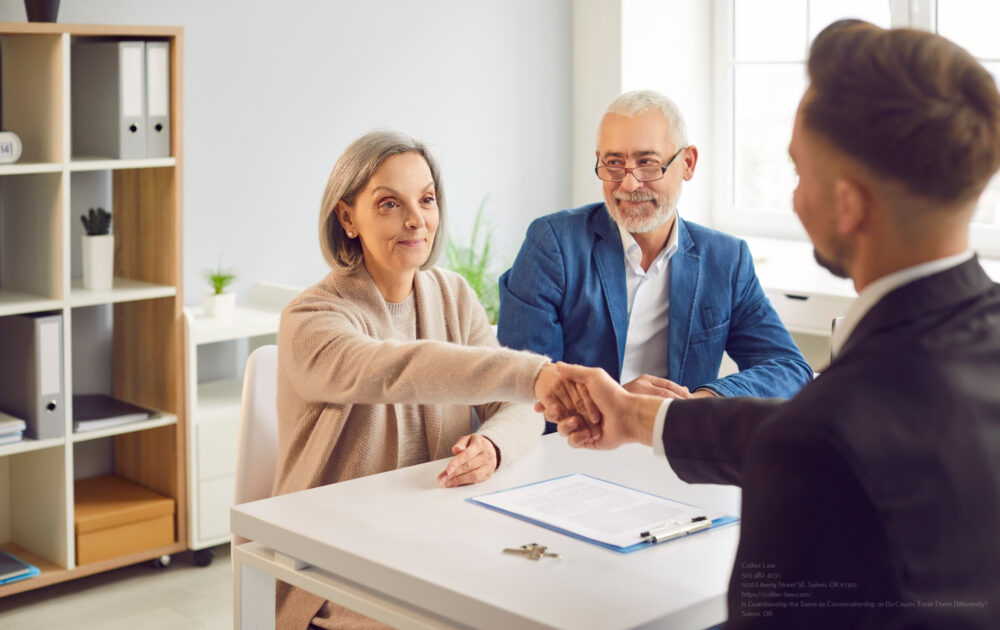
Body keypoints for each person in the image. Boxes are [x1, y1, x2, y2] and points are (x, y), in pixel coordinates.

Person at [548, 20, 1000, 630]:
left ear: (846, 203)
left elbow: (814, 443)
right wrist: (636, 417)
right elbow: (828, 433)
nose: (793, 199)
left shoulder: (819, 441)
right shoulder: (915, 386)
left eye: (797, 171)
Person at [274, 130, 583, 629]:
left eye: (426, 199)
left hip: (439, 541)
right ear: (347, 218)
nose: (416, 219)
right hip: (332, 564)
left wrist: (493, 446)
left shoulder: (452, 293)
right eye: (390, 204)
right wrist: (535, 374)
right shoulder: (310, 319)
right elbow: (398, 370)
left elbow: (520, 407)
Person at [498, 89, 812, 434]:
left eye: (647, 162)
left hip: (675, 452)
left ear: (688, 163)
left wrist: (705, 399)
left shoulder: (726, 259)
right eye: (614, 163)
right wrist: (616, 403)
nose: (629, 184)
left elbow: (788, 368)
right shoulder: (553, 244)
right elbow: (521, 385)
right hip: (576, 451)